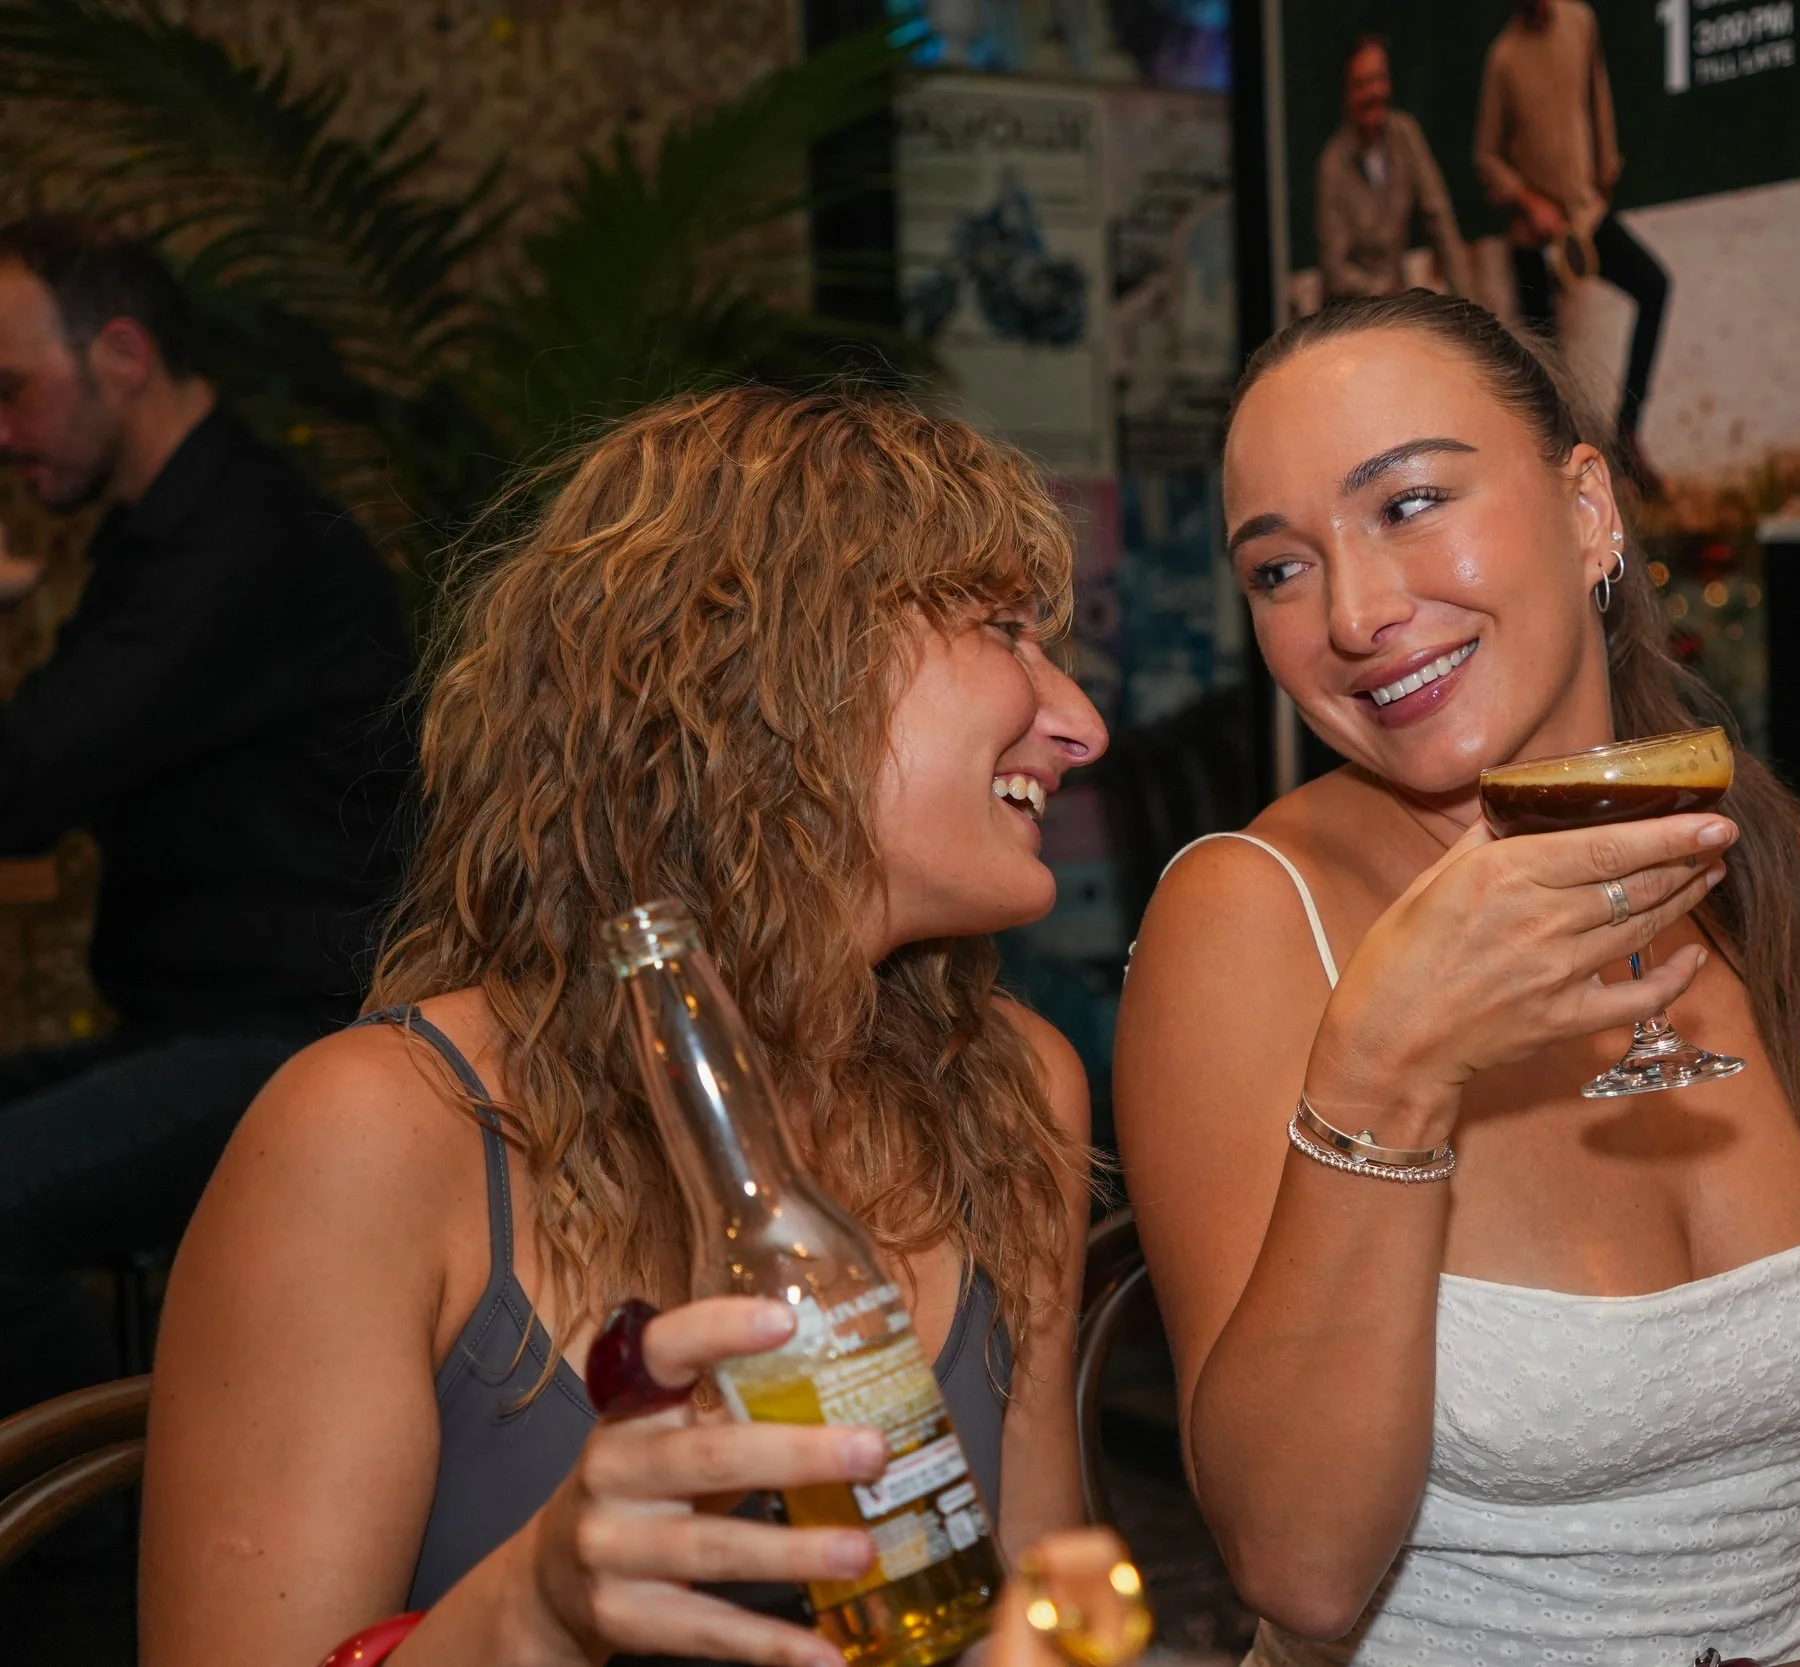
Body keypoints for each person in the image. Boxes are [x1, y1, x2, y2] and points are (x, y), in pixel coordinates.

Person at [140, 387, 1108, 1667]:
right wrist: (530, 1610)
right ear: (769, 669)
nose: (1080, 723)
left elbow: (1033, 1623)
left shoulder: (1012, 1087)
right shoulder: (380, 1134)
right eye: (1004, 630)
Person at [1115, 292, 1800, 1665]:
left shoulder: (1730, 853)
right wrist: (1389, 1070)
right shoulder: (1255, 918)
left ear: (1586, 508)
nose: (1356, 610)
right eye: (1279, 568)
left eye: (1406, 503)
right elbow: (1300, 1569)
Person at [0, 216, 410, 1416]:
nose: (2, 431)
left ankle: (92, 1558)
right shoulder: (160, 532)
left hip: (312, 1037)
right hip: (196, 1022)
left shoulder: (242, 544)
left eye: (14, 388)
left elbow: (23, 786)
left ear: (121, 355)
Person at [1473, 0, 1672, 476]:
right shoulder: (1503, 58)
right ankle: (1565, 469)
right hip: (1533, 232)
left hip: (1586, 217)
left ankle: (1627, 433)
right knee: (1545, 362)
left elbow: (1596, 96)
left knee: (1655, 286)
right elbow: (1486, 157)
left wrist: (1605, 167)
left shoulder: (1580, 21)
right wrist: (1526, 200)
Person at [1314, 36, 1473, 303]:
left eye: (1380, 79)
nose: (1374, 92)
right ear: (1347, 95)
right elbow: (1335, 270)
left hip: (1398, 301)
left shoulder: (1405, 134)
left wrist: (1468, 303)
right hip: (1351, 312)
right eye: (1362, 84)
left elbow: (1440, 217)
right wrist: (1386, 291)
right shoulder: (1333, 162)